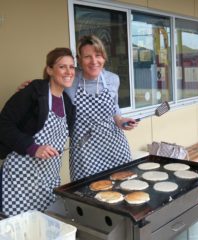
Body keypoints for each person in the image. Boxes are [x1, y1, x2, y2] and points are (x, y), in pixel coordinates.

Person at [0, 48, 76, 216]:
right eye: (62, 66)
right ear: (49, 70)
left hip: (48, 180)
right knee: (19, 230)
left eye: (71, 67)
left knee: (45, 227)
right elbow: (3, 124)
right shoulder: (34, 92)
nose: (68, 71)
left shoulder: (67, 103)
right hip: (20, 179)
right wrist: (33, 148)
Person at [65, 35, 138, 181]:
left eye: (98, 55)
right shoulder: (70, 80)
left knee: (122, 188)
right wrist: (30, 88)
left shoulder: (112, 79)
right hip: (84, 151)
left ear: (104, 57)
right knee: (87, 193)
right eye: (87, 57)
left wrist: (122, 121)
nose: (94, 61)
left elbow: (114, 110)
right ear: (79, 60)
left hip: (114, 147)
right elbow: (48, 86)